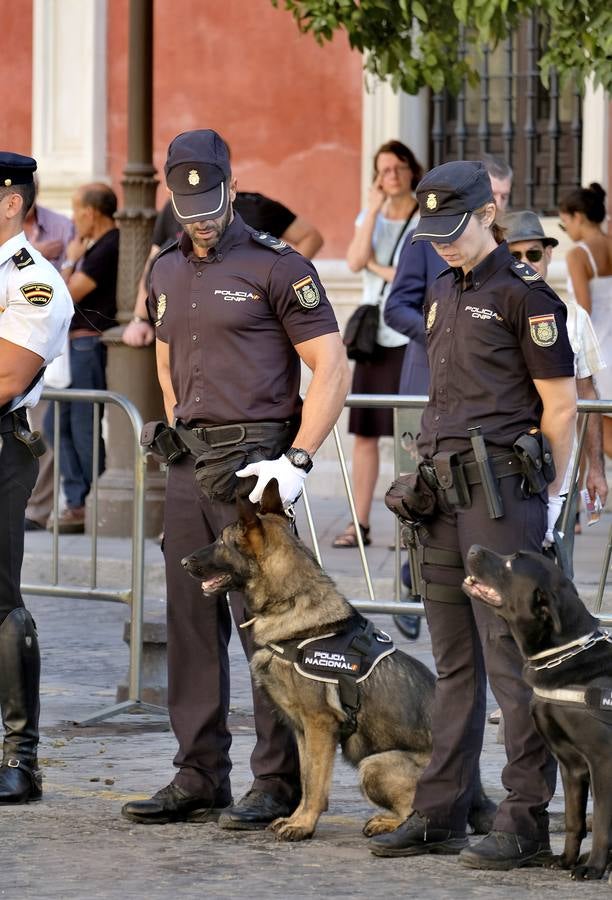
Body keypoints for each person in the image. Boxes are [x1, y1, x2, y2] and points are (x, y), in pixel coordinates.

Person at [120, 129, 350, 828]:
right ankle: (198, 774)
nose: (200, 217)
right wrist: (174, 419)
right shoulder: (163, 268)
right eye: (187, 206)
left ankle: (276, 782)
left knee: (271, 630)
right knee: (190, 624)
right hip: (191, 464)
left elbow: (332, 365)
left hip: (257, 471)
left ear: (231, 184)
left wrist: (300, 459)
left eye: (211, 202)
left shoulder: (278, 265)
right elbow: (163, 355)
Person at [370, 160, 577, 869]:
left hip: (501, 500)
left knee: (512, 665)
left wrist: (547, 505)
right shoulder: (442, 293)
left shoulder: (527, 296)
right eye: (432, 234)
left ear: (487, 214)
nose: (442, 244)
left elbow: (560, 406)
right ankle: (443, 809)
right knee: (455, 663)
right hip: (441, 501)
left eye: (452, 230)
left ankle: (525, 819)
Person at [384, 154, 513, 639]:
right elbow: (395, 306)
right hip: (429, 392)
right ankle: (408, 584)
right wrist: (445, 334)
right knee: (425, 510)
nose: (499, 204)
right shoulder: (429, 245)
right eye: (494, 194)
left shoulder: (511, 263)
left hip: (487, 432)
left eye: (502, 197)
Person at [0, 151, 73, 803]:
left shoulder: (31, 280)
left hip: (2, 446)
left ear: (11, 201)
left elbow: (8, 375)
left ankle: (19, 756)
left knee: (0, 600)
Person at [332, 140, 422, 549]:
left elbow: (408, 275)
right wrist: (370, 210)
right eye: (383, 170)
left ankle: (413, 525)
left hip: (408, 336)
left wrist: (375, 265)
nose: (391, 176)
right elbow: (353, 260)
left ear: (411, 171)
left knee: (413, 435)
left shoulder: (425, 220)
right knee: (366, 435)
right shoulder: (372, 216)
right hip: (374, 339)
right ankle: (360, 523)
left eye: (398, 168)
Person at [122, 190, 324, 348]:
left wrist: (277, 282)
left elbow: (311, 237)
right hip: (186, 328)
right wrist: (139, 318)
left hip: (245, 327)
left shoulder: (257, 206)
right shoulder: (173, 209)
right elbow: (153, 261)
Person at [46, 183, 119, 533]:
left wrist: (71, 259)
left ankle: (90, 499)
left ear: (90, 212)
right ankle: (78, 501)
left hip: (88, 345)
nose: (75, 219)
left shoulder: (108, 246)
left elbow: (65, 296)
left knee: (83, 426)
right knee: (56, 425)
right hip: (74, 345)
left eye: (77, 211)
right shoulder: (97, 246)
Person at [22, 179, 74, 531]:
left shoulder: (62, 225)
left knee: (43, 432)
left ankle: (36, 512)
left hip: (42, 348)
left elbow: (70, 282)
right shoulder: (45, 237)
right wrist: (39, 250)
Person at [559, 183, 612, 459]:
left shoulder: (578, 254)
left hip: (598, 351)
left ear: (578, 216)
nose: (566, 230)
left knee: (598, 432)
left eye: (564, 222)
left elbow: (583, 310)